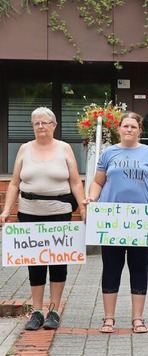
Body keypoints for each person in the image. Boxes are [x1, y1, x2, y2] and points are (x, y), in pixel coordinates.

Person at [84, 112, 148, 334]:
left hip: (142, 223)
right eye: (125, 126)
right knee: (111, 268)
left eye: (133, 126)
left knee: (139, 268)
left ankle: (138, 319)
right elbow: (97, 182)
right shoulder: (109, 153)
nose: (129, 130)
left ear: (139, 130)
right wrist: (92, 199)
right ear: (119, 129)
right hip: (112, 221)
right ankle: (108, 319)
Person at [0, 107, 85, 331]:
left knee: (58, 262)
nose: (40, 127)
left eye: (45, 123)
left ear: (54, 125)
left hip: (59, 211)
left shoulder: (64, 148)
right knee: (34, 262)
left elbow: (76, 182)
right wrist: (6, 210)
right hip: (29, 212)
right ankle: (37, 311)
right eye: (36, 123)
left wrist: (84, 208)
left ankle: (54, 310)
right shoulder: (24, 149)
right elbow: (15, 183)